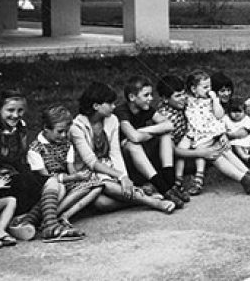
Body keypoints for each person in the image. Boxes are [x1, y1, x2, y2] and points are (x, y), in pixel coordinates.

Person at [68, 82, 177, 215]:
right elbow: (91, 162)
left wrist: (124, 177)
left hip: (109, 167)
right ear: (96, 106)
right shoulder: (76, 127)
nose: (114, 107)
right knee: (101, 203)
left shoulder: (112, 120)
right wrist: (120, 176)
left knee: (108, 197)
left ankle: (150, 201)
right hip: (88, 171)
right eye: (110, 104)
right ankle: (146, 199)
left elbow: (115, 153)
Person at [26, 105, 105, 233]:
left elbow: (71, 169)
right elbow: (44, 179)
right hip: (47, 188)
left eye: (66, 131)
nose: (63, 135)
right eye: (60, 131)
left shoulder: (66, 145)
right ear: (46, 128)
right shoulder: (36, 150)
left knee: (96, 186)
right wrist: (74, 178)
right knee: (60, 189)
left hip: (66, 181)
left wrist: (79, 177)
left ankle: (64, 215)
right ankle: (47, 219)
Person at [114, 76, 188, 207]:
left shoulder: (146, 108)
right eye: (146, 95)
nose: (151, 98)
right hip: (127, 162)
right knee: (132, 145)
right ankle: (164, 188)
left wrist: (142, 131)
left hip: (144, 157)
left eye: (151, 94)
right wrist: (149, 133)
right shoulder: (121, 111)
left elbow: (169, 125)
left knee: (165, 136)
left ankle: (171, 184)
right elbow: (134, 138)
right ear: (132, 97)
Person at [0, 90, 51, 215]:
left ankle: (34, 215)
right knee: (20, 185)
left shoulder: (20, 126)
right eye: (10, 110)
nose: (15, 115)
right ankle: (19, 217)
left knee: (39, 182)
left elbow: (22, 154)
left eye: (20, 110)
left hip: (14, 169)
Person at [178, 70, 231, 194]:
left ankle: (199, 177)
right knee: (181, 148)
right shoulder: (187, 99)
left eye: (210, 86)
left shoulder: (210, 101)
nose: (209, 90)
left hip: (207, 132)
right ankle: (178, 178)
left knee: (200, 148)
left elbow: (220, 115)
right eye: (205, 87)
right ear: (193, 89)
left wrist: (215, 100)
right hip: (192, 132)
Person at [223, 97, 250, 168]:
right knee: (237, 146)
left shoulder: (247, 119)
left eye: (240, 111)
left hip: (249, 141)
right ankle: (246, 158)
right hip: (235, 141)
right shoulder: (226, 119)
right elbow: (222, 130)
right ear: (229, 111)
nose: (237, 114)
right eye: (234, 111)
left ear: (244, 112)